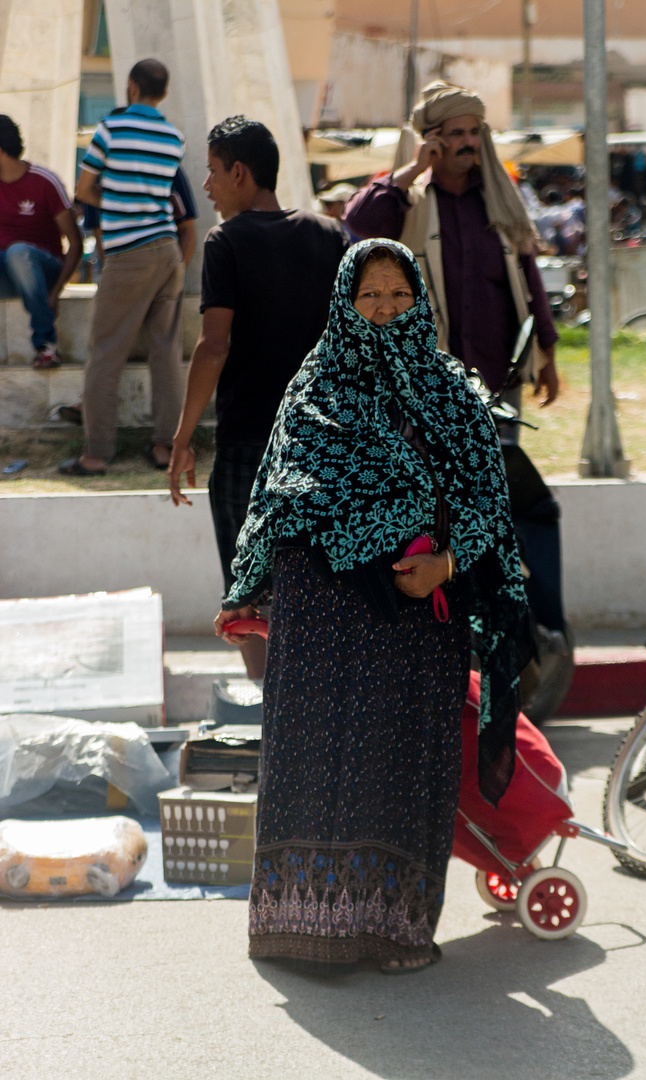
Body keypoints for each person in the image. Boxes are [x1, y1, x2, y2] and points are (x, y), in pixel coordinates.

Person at [216, 239, 531, 971]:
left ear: (420, 301)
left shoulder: (452, 393)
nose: (385, 310)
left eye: (399, 295)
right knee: (315, 763)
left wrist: (445, 564)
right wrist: (249, 591)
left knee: (401, 767)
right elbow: (277, 497)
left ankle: (394, 934)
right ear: (344, 304)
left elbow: (489, 504)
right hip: (324, 618)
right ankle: (299, 927)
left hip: (417, 621)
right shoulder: (315, 387)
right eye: (369, 296)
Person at [169, 115, 348, 680]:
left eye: (213, 172)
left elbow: (213, 345)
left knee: (249, 602)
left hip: (251, 449)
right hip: (326, 445)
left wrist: (180, 438)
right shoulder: (330, 235)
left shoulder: (226, 242)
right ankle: (320, 727)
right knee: (324, 593)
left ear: (240, 172)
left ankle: (279, 733)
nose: (207, 186)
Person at [344, 80, 559, 415]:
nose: (468, 142)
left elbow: (531, 283)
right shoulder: (409, 201)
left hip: (498, 377)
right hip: (424, 378)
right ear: (433, 139)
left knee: (496, 465)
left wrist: (548, 357)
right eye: (457, 133)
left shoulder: (500, 203)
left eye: (474, 132)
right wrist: (415, 168)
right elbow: (359, 219)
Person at [60, 58, 185, 477]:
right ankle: (165, 447)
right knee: (166, 354)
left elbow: (83, 190)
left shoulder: (109, 130)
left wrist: (111, 201)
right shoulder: (174, 138)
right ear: (162, 93)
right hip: (167, 250)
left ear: (131, 87)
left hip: (127, 252)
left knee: (105, 352)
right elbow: (160, 194)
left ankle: (96, 453)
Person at [0, 115, 82, 369]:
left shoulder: (44, 180)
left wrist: (55, 292)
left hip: (44, 269)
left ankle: (46, 345)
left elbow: (76, 244)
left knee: (18, 252)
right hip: (7, 273)